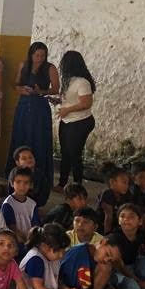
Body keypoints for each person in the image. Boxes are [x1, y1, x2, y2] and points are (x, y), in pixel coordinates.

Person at [9, 42, 58, 208]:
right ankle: (18, 173)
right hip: (24, 105)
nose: (39, 58)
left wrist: (41, 91)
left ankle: (39, 176)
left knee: (39, 139)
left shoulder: (50, 68)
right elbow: (15, 84)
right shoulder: (24, 65)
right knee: (21, 136)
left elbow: (56, 89)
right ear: (31, 54)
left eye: (42, 55)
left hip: (39, 109)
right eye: (37, 55)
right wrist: (21, 89)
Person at [54, 50, 96, 191]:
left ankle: (77, 186)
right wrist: (57, 101)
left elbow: (86, 103)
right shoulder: (68, 81)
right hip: (67, 121)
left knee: (74, 155)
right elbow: (70, 99)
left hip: (80, 122)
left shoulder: (82, 82)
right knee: (65, 153)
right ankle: (62, 183)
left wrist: (67, 110)